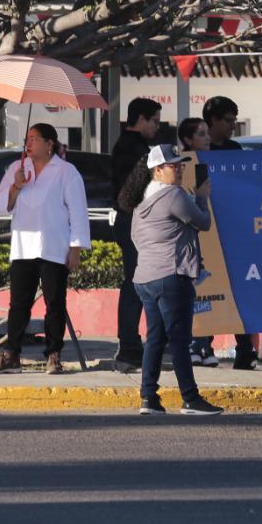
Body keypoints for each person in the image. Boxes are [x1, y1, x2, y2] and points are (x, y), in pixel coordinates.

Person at [0, 123, 89, 375]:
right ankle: (12, 355)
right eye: (27, 138)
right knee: (18, 304)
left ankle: (53, 353)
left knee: (55, 303)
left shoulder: (66, 172)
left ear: (49, 144)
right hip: (23, 247)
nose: (28, 143)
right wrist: (16, 186)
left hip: (54, 246)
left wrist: (76, 248)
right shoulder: (16, 169)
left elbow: (78, 212)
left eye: (34, 139)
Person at [130, 144, 224, 416]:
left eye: (181, 164)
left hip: (146, 277)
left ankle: (148, 397)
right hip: (171, 275)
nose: (180, 169)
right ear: (157, 170)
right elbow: (202, 222)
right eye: (174, 165)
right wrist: (202, 197)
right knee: (180, 339)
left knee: (155, 339)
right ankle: (190, 399)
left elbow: (137, 239)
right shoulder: (173, 195)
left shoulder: (141, 202)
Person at [201, 95, 256, 369]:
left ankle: (246, 350)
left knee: (240, 290)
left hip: (233, 229)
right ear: (213, 121)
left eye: (235, 121)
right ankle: (203, 347)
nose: (233, 126)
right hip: (205, 230)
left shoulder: (235, 150)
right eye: (229, 121)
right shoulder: (197, 152)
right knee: (207, 289)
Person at [111, 97, 162, 373]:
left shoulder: (131, 146)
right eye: (154, 120)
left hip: (131, 221)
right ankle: (130, 347)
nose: (157, 126)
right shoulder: (134, 150)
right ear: (141, 118)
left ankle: (132, 346)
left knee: (136, 283)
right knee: (134, 284)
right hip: (133, 221)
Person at [174, 117, 221, 368]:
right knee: (189, 295)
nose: (208, 138)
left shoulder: (214, 163)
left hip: (210, 242)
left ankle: (205, 345)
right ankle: (191, 344)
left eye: (207, 132)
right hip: (186, 243)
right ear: (188, 140)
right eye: (201, 134)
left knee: (209, 291)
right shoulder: (180, 167)